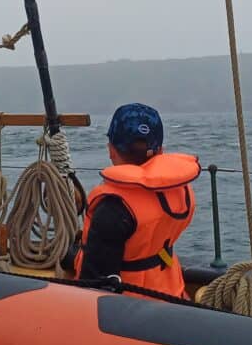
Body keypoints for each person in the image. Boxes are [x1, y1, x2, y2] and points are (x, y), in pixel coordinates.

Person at [74, 103, 200, 298]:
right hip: (172, 295)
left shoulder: (113, 208)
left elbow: (95, 287)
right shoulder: (181, 190)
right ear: (160, 151)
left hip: (128, 313)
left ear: (111, 150)